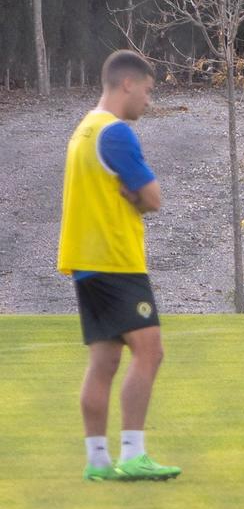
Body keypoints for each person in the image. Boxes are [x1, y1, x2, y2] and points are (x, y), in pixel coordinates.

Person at [58, 50, 178, 483]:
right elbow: (153, 197)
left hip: (86, 263)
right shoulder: (116, 134)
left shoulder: (82, 131)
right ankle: (133, 453)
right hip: (117, 261)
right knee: (150, 351)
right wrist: (138, 197)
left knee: (104, 361)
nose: (148, 100)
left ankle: (97, 460)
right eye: (147, 91)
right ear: (127, 84)